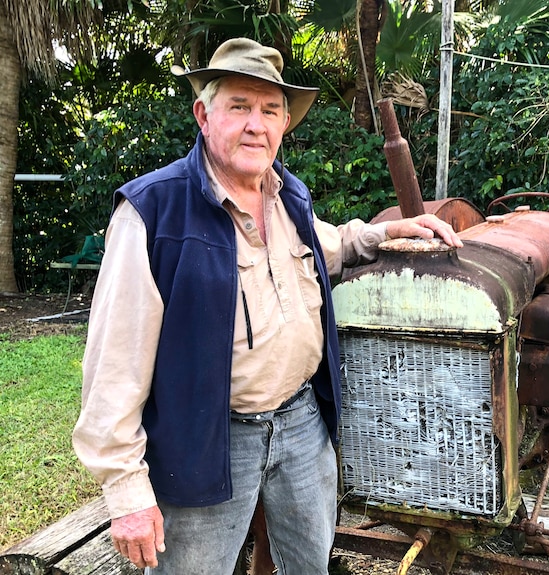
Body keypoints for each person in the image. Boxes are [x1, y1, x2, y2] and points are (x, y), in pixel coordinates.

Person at [72, 37, 463, 575]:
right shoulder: (152, 215)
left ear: (283, 124)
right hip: (210, 436)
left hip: (302, 424)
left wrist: (389, 230)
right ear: (203, 116)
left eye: (270, 110)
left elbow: (328, 245)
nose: (257, 124)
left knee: (309, 564)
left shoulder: (287, 197)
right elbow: (112, 368)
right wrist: (127, 493)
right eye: (240, 106)